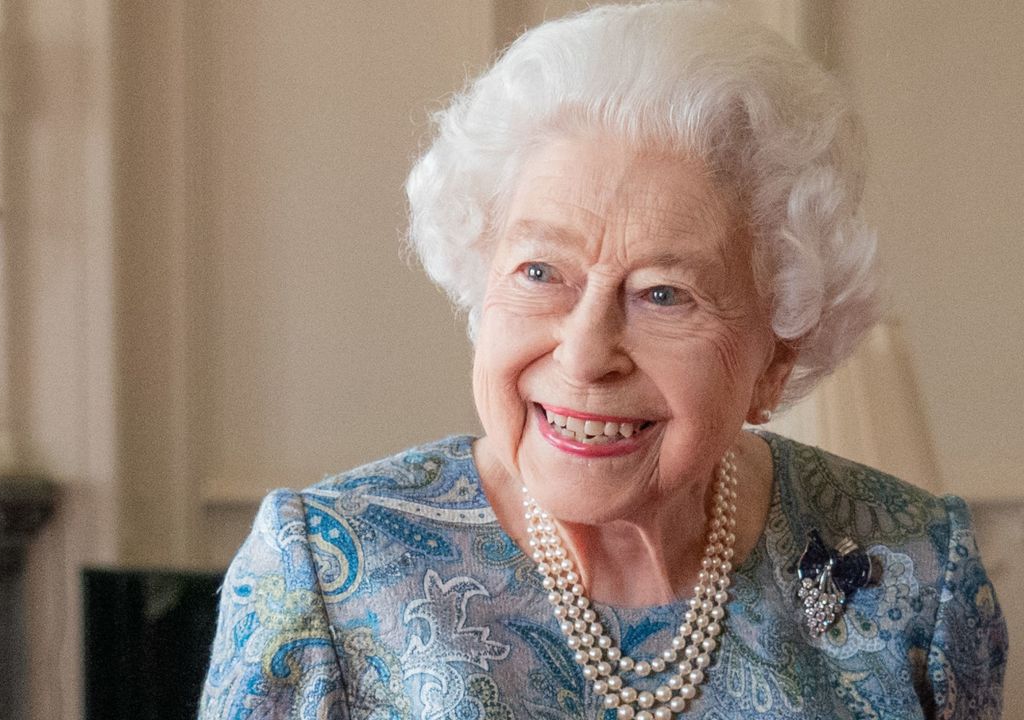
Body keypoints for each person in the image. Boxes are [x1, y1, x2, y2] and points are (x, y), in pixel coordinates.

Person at [197, 3, 1007, 718]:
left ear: (773, 355)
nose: (584, 355)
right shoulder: (327, 577)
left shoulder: (912, 572)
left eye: (663, 294)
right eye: (540, 273)